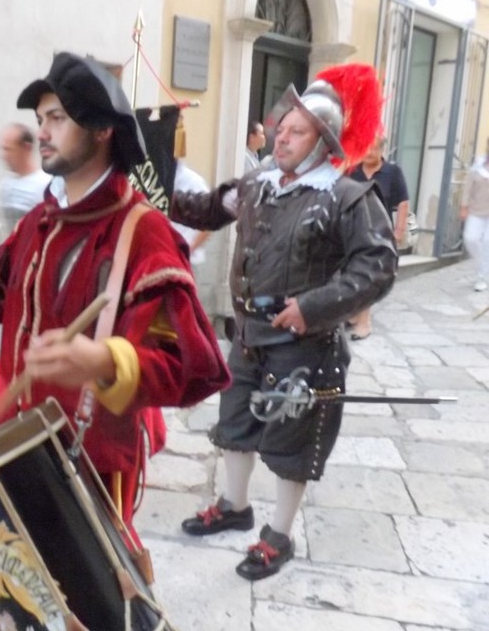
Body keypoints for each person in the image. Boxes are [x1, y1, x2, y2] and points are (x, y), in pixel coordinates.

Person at [0, 52, 231, 543]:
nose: (43, 132)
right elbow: (2, 282)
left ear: (101, 129)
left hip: (92, 456)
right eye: (40, 119)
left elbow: (187, 362)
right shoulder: (43, 219)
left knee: (96, 599)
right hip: (19, 441)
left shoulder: (143, 231)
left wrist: (106, 361)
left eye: (58, 119)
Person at [171, 64, 398, 580]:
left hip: (304, 344)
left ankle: (279, 535)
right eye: (282, 128)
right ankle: (233, 506)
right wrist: (154, 170)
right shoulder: (256, 184)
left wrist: (313, 307)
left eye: (297, 132)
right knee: (234, 425)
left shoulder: (346, 196)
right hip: (248, 334)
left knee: (291, 441)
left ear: (323, 141)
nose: (282, 137)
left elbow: (379, 265)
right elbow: (204, 209)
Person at [347, 135, 411, 337]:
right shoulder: (352, 172)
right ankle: (355, 315)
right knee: (351, 272)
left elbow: (402, 201)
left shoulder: (392, 172)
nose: (369, 153)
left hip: (379, 233)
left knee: (368, 275)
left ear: (382, 150)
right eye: (366, 148)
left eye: (374, 149)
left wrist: (399, 230)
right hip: (352, 230)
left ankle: (364, 323)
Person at [0, 123, 51, 227]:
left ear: (27, 148)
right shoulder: (5, 185)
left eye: (8, 149)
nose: (3, 155)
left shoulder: (45, 185)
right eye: (2, 149)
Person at [461, 139, 489, 292]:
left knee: (487, 242)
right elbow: (468, 187)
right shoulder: (478, 164)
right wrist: (464, 206)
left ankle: (482, 277)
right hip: (476, 210)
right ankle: (483, 265)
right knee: (470, 238)